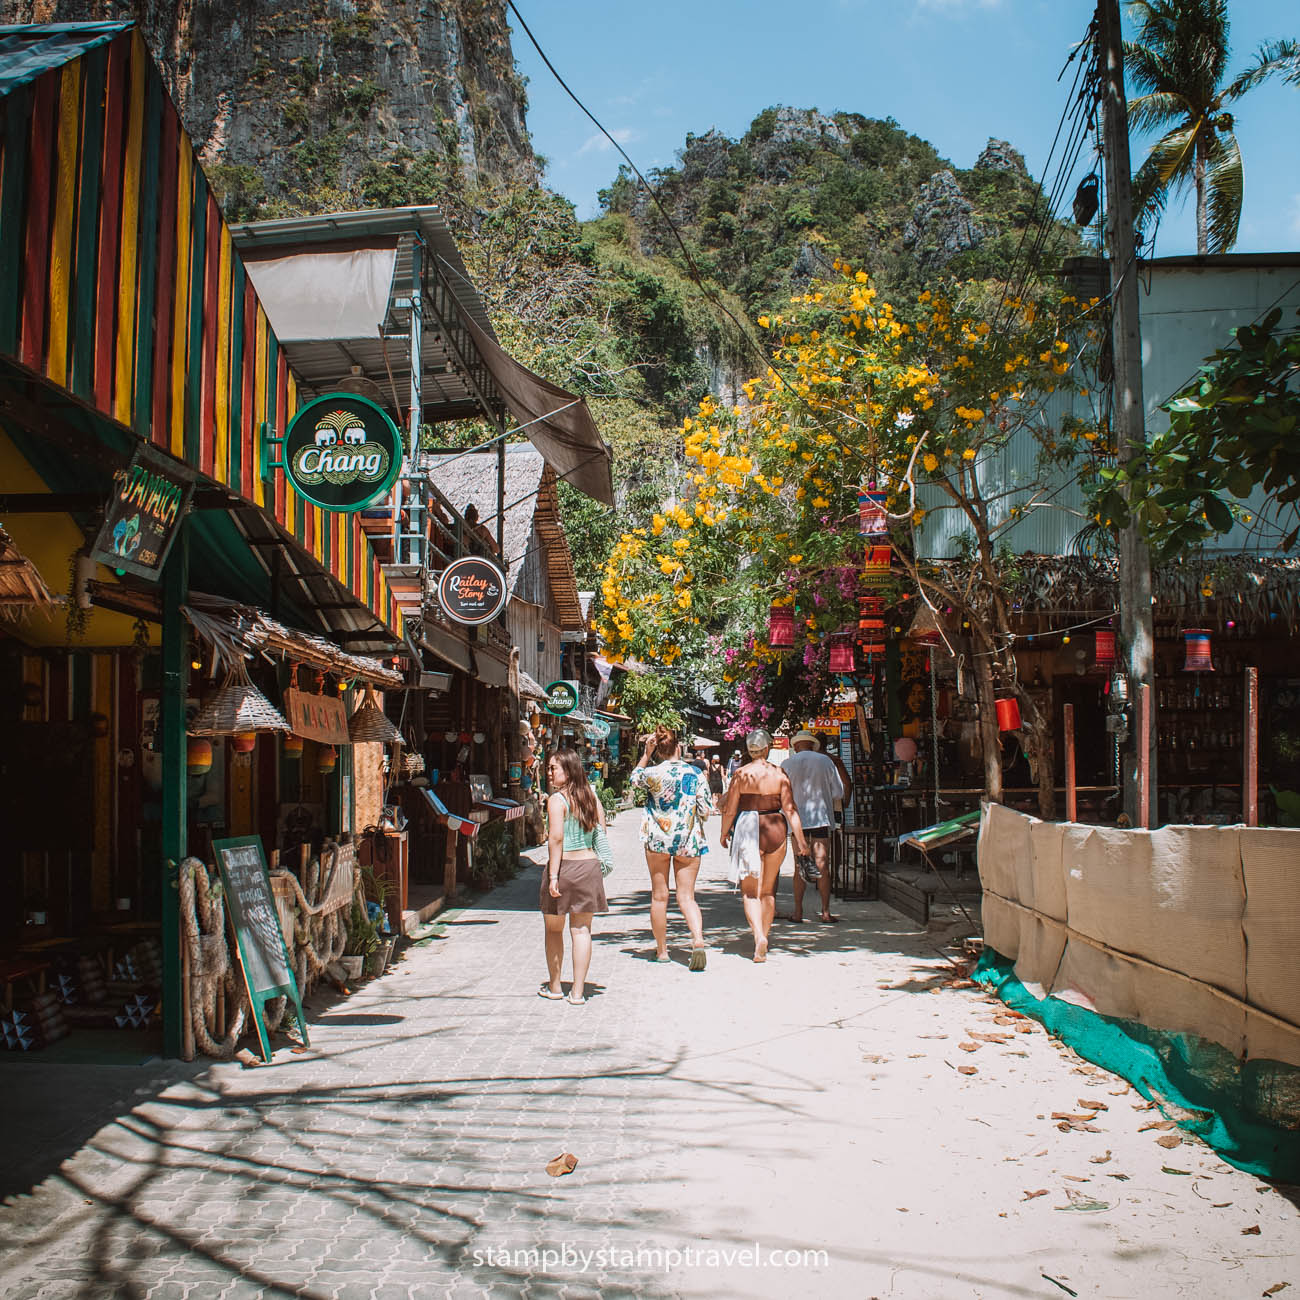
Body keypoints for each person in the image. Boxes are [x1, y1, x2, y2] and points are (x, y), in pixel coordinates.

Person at [719, 729, 808, 962]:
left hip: (749, 827)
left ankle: (758, 936)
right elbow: (790, 809)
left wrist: (723, 832)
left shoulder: (741, 774)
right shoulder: (779, 773)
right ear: (767, 748)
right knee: (768, 891)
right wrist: (801, 839)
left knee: (750, 892)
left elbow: (730, 808)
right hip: (776, 826)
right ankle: (764, 935)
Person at [630, 725, 713, 970]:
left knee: (659, 896)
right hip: (688, 840)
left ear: (658, 749)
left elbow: (634, 779)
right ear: (678, 746)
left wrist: (646, 754)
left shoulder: (652, 773)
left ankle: (662, 951)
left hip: (657, 840)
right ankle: (697, 940)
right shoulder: (696, 774)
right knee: (687, 897)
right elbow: (706, 810)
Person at [539, 749, 609, 1005]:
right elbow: (601, 834)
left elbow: (556, 839)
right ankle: (578, 992)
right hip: (588, 866)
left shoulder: (557, 801)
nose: (549, 772)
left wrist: (554, 875)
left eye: (553, 768)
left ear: (567, 771)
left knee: (553, 929)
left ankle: (555, 986)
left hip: (565, 866)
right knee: (582, 931)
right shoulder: (592, 798)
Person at [783, 730, 850, 924]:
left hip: (797, 820)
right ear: (813, 745)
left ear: (796, 746)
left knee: (799, 866)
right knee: (822, 865)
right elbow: (838, 792)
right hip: (820, 817)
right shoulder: (825, 762)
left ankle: (798, 911)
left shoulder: (787, 764)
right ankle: (826, 911)